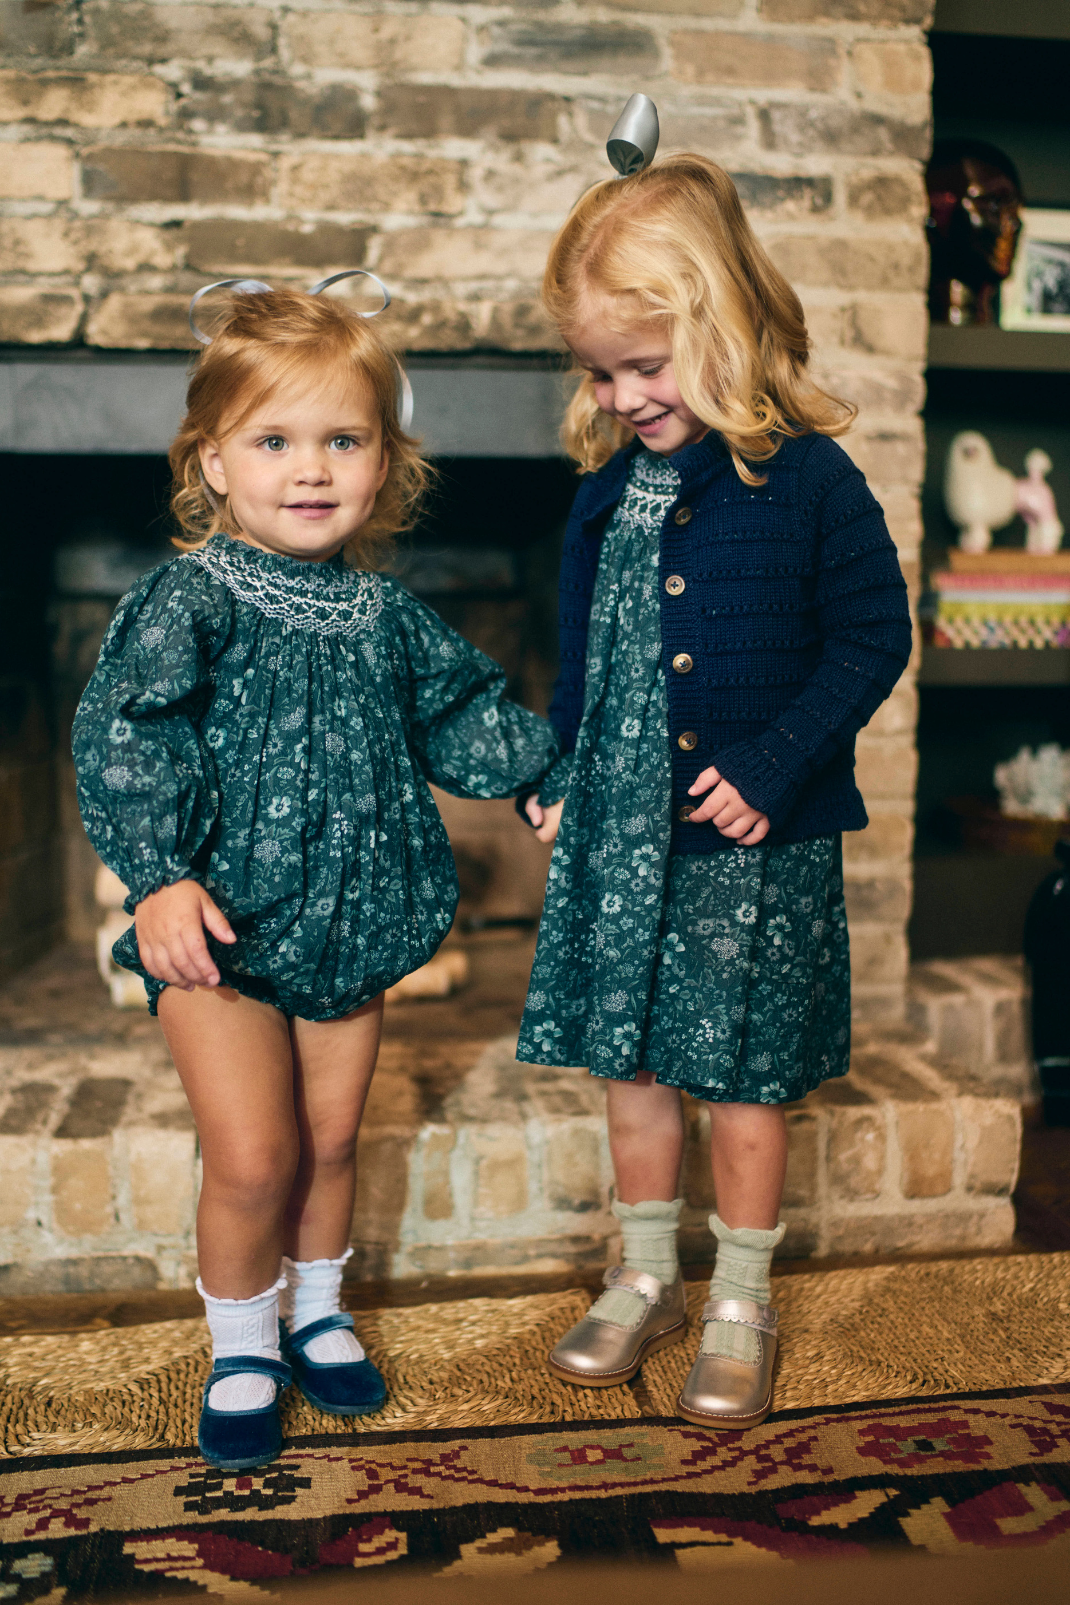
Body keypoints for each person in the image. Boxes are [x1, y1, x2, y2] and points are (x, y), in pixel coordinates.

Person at [73, 281, 566, 1471]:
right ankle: (242, 1346)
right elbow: (127, 728)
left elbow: (463, 708)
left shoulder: (383, 614)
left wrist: (539, 776)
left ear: (384, 463)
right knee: (255, 1155)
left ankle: (318, 1314)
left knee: (331, 1143)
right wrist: (157, 877)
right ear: (213, 461)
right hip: (217, 934)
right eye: (275, 441)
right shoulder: (188, 598)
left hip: (353, 917)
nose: (310, 469)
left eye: (342, 441)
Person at [517, 154, 911, 1429]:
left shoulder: (801, 480)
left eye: (648, 364)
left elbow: (870, 636)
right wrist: (564, 773)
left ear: (723, 326)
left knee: (738, 1081)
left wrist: (770, 763)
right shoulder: (595, 498)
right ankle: (644, 1274)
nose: (625, 395)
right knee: (632, 1073)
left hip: (751, 840)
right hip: (624, 838)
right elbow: (580, 661)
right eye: (601, 371)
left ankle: (740, 1295)